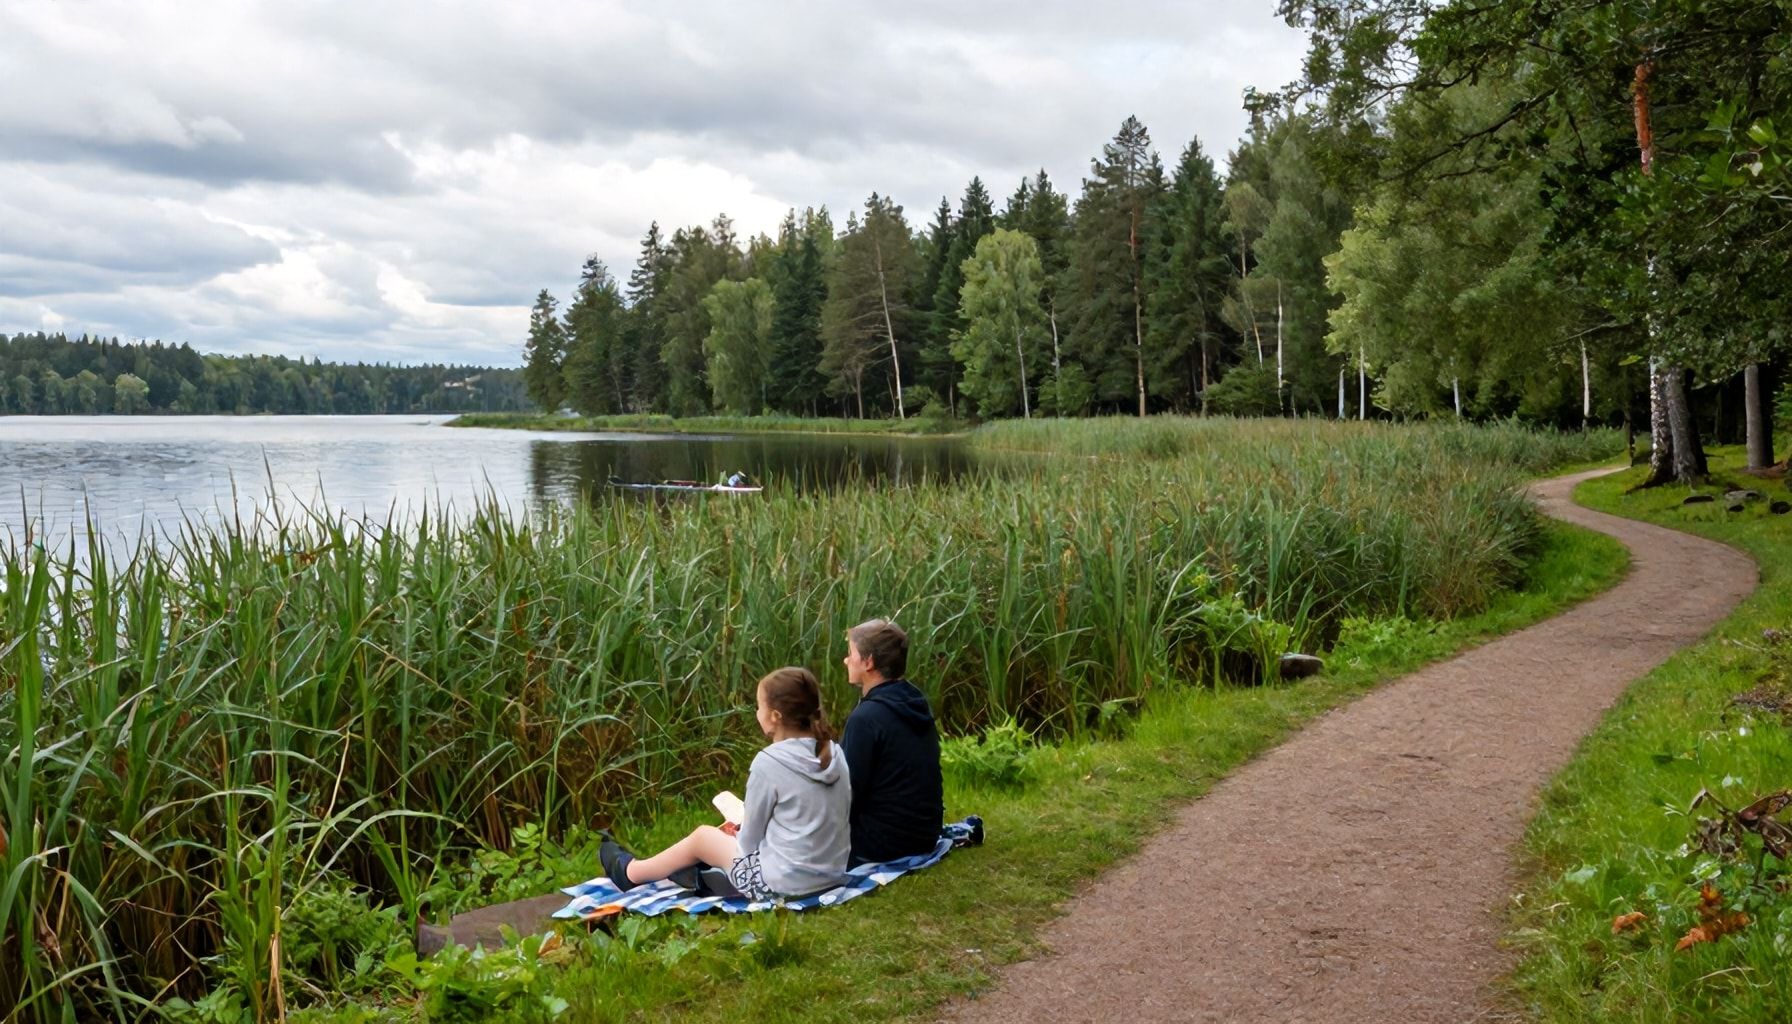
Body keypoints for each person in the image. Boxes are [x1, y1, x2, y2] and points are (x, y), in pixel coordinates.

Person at [599, 667, 850, 900]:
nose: (756, 713)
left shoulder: (769, 762)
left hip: (783, 886)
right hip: (832, 875)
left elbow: (748, 843)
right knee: (718, 842)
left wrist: (738, 831)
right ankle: (694, 872)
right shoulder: (834, 754)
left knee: (703, 838)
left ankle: (631, 873)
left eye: (758, 706)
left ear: (774, 716)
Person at [840, 618, 944, 866]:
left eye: (850, 653)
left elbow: (847, 794)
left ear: (869, 662)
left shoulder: (865, 718)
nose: (846, 660)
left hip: (883, 844)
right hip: (924, 835)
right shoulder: (914, 700)